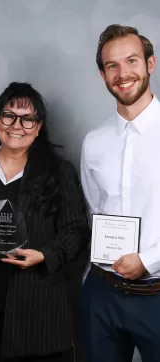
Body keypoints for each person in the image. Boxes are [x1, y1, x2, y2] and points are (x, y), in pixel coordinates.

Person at [0, 82, 89, 362]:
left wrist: (45, 254)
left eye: (28, 119)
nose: (17, 125)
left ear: (39, 127)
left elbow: (76, 230)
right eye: (9, 116)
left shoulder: (59, 172)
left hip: (38, 307)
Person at [80, 24, 160, 362]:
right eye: (112, 65)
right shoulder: (94, 142)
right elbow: (94, 210)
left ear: (150, 64)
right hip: (102, 293)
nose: (123, 73)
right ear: (102, 74)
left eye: (132, 61)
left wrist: (148, 260)